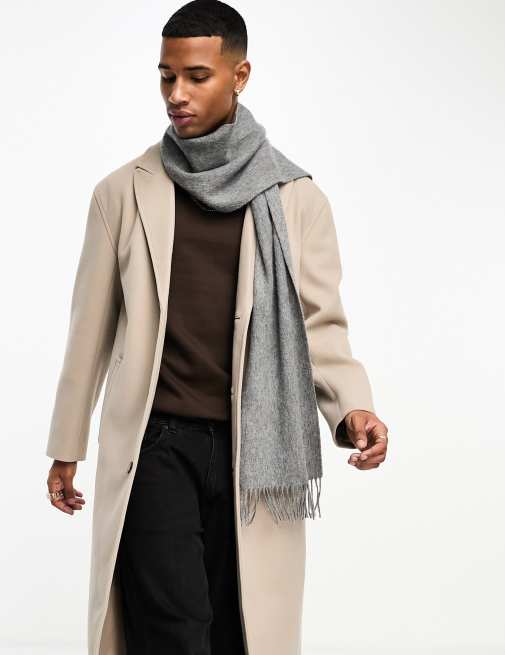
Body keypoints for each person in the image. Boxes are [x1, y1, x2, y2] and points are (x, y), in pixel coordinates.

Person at [45, 2, 389, 654]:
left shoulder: (295, 197)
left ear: (239, 75)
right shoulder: (122, 192)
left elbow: (319, 324)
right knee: (172, 633)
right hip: (154, 445)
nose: (176, 93)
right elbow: (88, 329)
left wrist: (353, 407)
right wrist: (67, 444)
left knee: (238, 632)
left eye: (196, 76)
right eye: (166, 76)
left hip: (252, 451)